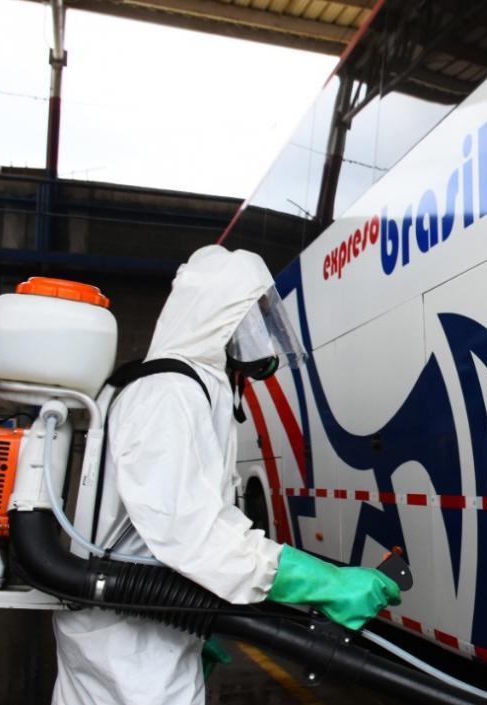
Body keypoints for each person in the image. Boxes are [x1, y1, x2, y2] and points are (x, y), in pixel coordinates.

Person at [52, 245, 399, 705]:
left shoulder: (185, 387)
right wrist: (320, 583)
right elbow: (190, 530)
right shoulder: (168, 394)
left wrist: (195, 622)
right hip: (130, 642)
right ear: (212, 319)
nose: (257, 339)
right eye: (246, 322)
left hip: (144, 624)